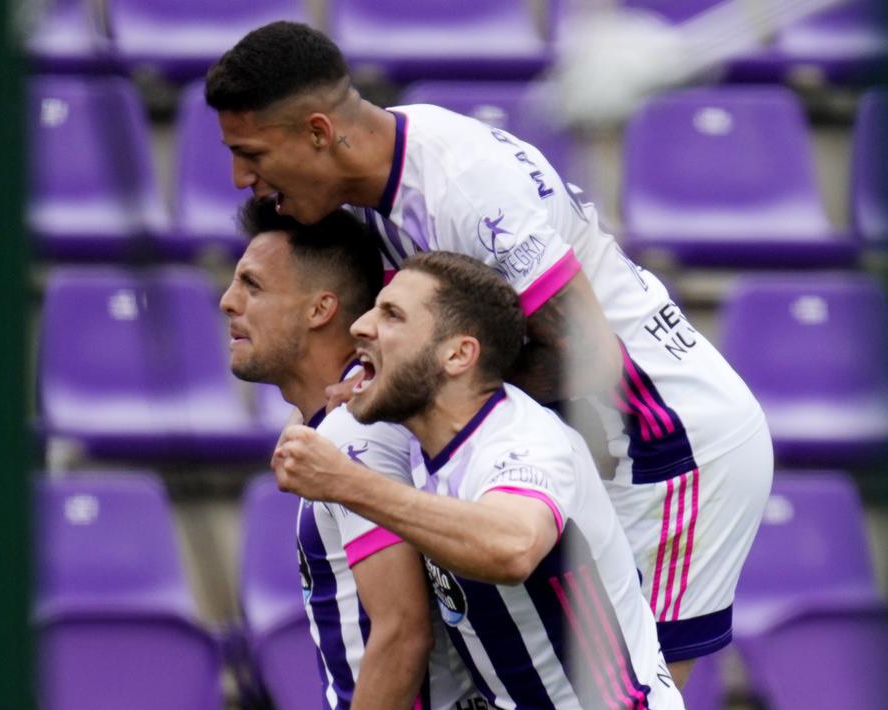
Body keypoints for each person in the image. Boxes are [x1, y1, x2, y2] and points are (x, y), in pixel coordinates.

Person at [206, 21, 773, 684]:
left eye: (251, 153)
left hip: (669, 445)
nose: (241, 177)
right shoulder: (382, 172)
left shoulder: (462, 190)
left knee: (622, 694)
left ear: (317, 133)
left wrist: (393, 389)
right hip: (605, 441)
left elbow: (586, 358)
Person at [274, 251, 686, 710]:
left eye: (392, 315)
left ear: (458, 355)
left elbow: (512, 547)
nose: (361, 326)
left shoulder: (524, 442)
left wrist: (346, 482)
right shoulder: (424, 440)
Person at [220, 197, 479, 709]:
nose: (229, 301)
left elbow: (403, 633)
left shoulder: (353, 439)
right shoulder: (337, 424)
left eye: (252, 285)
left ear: (320, 309)